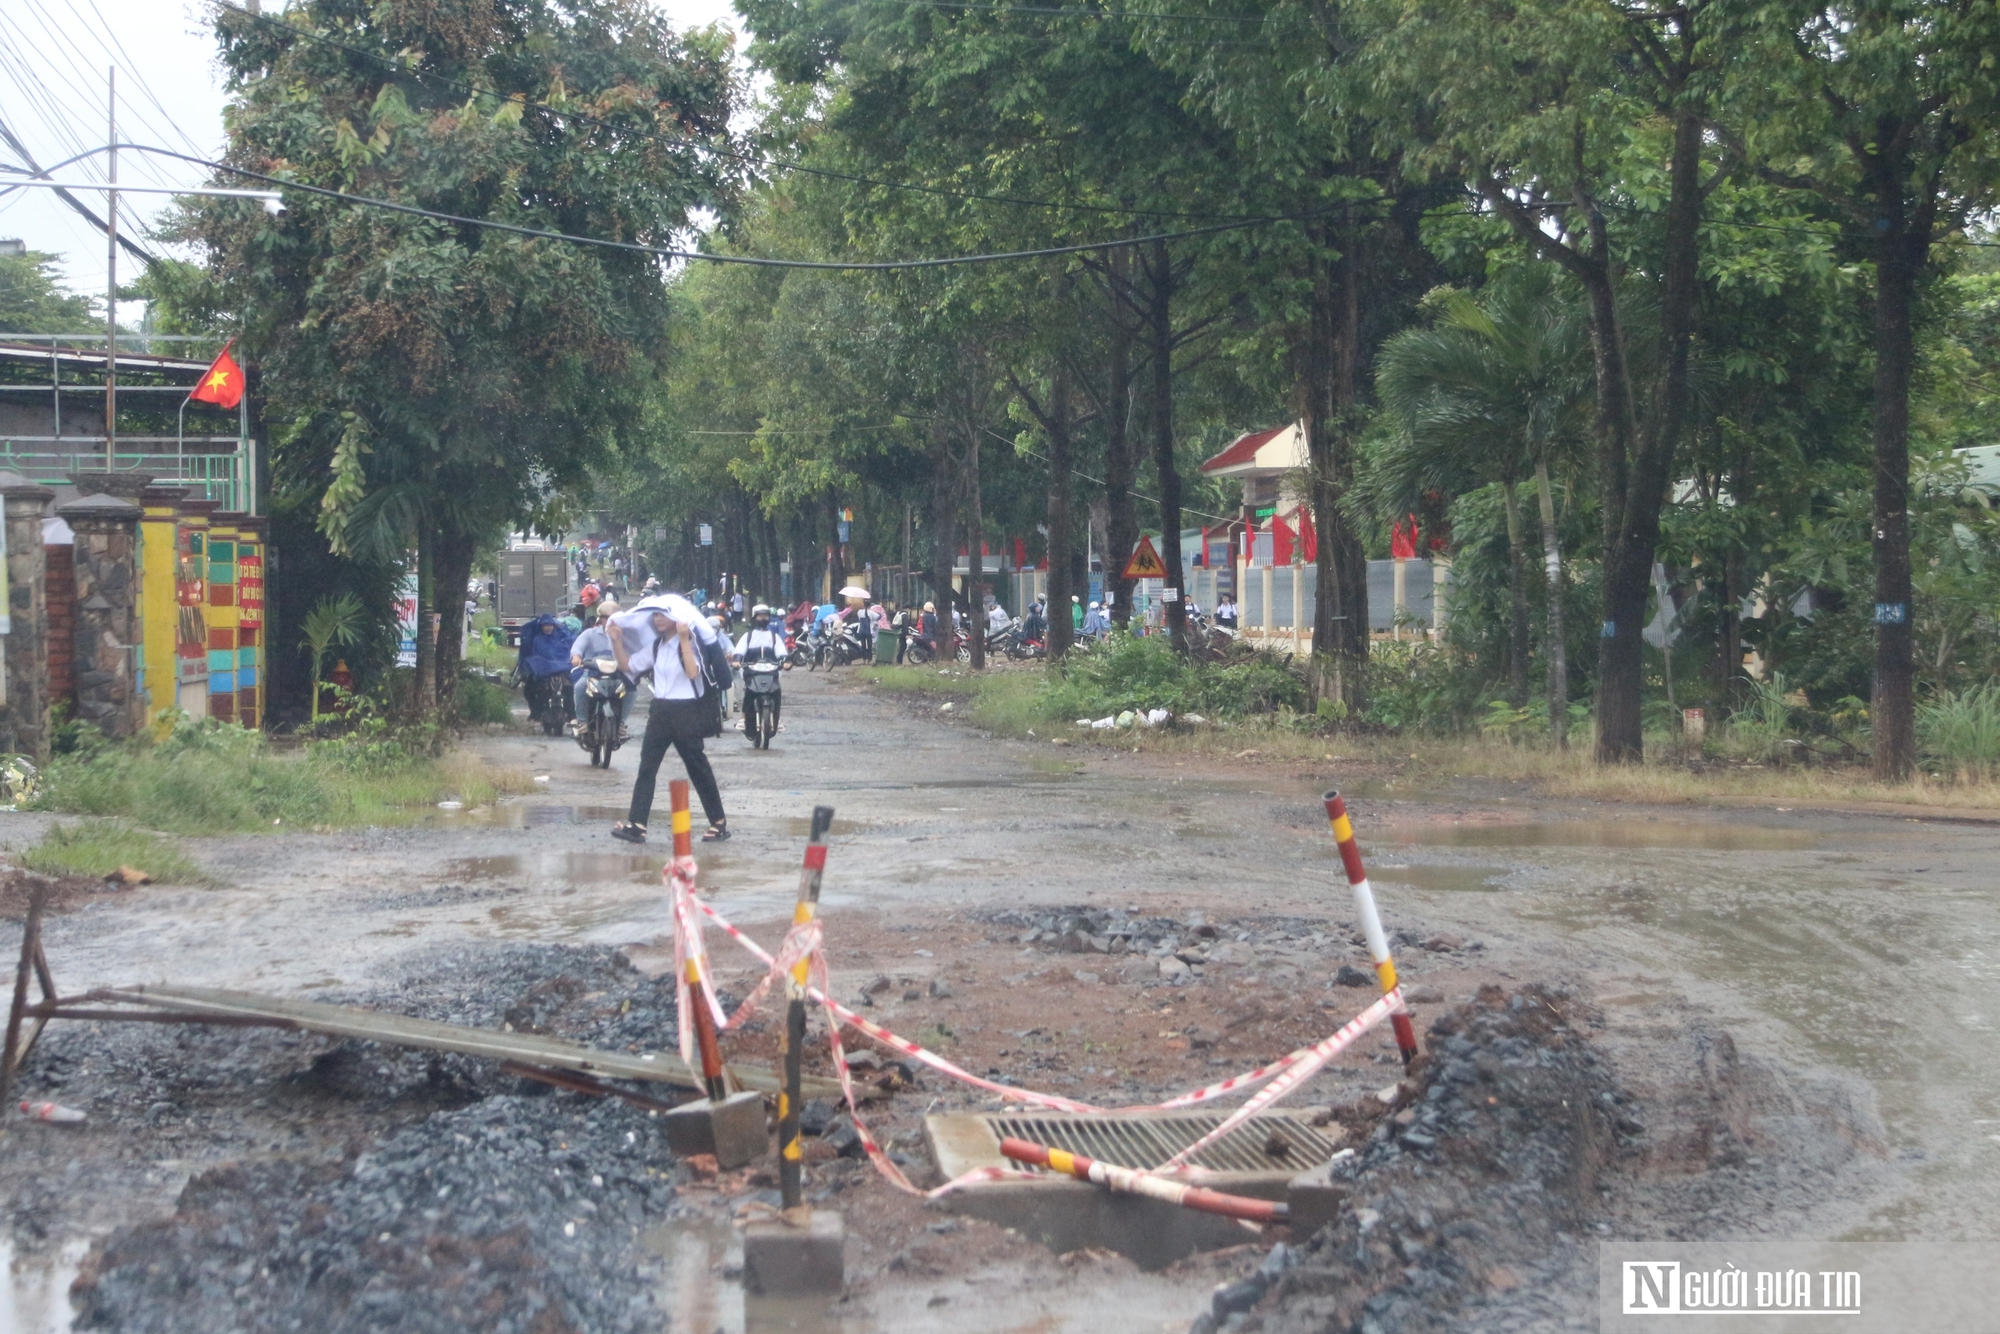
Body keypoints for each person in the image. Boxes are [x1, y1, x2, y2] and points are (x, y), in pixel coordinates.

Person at [607, 593, 729, 844]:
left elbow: (693, 672)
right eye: (655, 615)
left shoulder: (689, 643)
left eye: (663, 614)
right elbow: (627, 665)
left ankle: (718, 822)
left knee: (697, 767)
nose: (658, 619)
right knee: (647, 768)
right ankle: (637, 824)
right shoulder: (656, 646)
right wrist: (617, 641)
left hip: (686, 712)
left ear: (676, 618)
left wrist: (684, 639)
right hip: (660, 712)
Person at [569, 599, 633, 741]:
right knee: (580, 687)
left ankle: (621, 722)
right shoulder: (590, 634)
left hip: (618, 674)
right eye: (606, 618)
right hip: (592, 674)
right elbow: (578, 647)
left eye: (613, 618)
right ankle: (583, 722)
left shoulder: (625, 636)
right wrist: (576, 657)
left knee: (632, 688)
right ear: (600, 619)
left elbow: (634, 651)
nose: (609, 621)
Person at [732, 603, 787, 729]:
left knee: (776, 691)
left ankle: (777, 719)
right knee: (749, 692)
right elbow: (739, 651)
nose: (763, 619)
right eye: (760, 616)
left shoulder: (774, 637)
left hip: (771, 671)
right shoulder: (748, 636)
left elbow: (781, 653)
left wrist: (785, 661)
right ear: (754, 618)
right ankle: (743, 718)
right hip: (751, 671)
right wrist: (737, 660)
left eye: (765, 616)